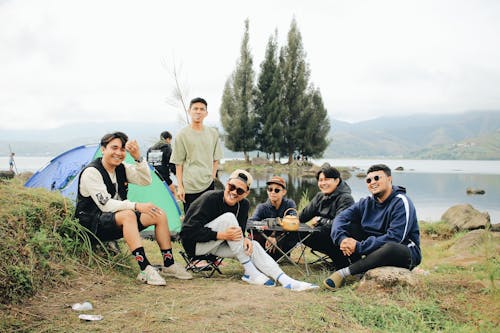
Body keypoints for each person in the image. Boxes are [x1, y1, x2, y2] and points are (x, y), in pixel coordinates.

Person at [75, 131, 192, 286]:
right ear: (103, 149)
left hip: (116, 220)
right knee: (129, 214)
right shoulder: (92, 172)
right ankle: (145, 268)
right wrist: (137, 206)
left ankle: (169, 264)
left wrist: (138, 158)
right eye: (114, 148)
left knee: (158, 214)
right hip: (91, 223)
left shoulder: (121, 168)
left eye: (122, 149)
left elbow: (146, 180)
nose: (118, 153)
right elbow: (106, 205)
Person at [180, 169, 318, 291]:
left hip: (217, 245)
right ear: (227, 183)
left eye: (239, 190)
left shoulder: (244, 205)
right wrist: (221, 234)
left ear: (246, 193)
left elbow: (239, 231)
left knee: (255, 246)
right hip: (196, 247)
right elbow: (186, 233)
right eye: (231, 186)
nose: (234, 192)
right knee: (228, 218)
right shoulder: (210, 198)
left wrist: (245, 238)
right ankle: (250, 270)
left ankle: (286, 280)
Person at [323, 164, 422, 291]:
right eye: (369, 180)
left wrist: (359, 246)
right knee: (349, 227)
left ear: (389, 179)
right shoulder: (366, 203)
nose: (372, 182)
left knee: (390, 247)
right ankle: (361, 269)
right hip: (375, 247)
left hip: (403, 251)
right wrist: (342, 239)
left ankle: (344, 273)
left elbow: (396, 237)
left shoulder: (401, 202)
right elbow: (340, 218)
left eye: (377, 178)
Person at [170, 97, 223, 214]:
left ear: (206, 113)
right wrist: (180, 186)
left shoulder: (212, 133)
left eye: (202, 109)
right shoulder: (182, 135)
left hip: (208, 183)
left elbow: (216, 159)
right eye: (195, 109)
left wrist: (213, 177)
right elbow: (178, 163)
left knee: (209, 217)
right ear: (189, 111)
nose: (198, 112)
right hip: (189, 185)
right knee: (191, 219)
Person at [299, 165, 355, 267]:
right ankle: (277, 255)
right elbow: (303, 216)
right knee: (295, 231)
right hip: (322, 233)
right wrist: (290, 220)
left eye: (327, 179)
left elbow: (339, 224)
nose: (323, 183)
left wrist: (320, 219)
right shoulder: (320, 196)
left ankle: (344, 263)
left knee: (310, 233)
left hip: (339, 238)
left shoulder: (346, 198)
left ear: (337, 181)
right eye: (320, 180)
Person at [249, 176, 298, 260]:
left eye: (277, 190)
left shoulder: (289, 204)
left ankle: (279, 254)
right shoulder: (262, 207)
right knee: (253, 232)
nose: (273, 192)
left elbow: (293, 221)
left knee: (293, 230)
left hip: (283, 242)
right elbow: (251, 223)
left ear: (284, 192)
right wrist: (270, 230)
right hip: (265, 242)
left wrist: (275, 236)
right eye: (270, 189)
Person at [147, 131, 177, 197]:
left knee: (158, 195)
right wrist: (177, 174)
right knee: (173, 192)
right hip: (164, 177)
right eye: (170, 140)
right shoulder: (167, 148)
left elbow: (148, 164)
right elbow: (171, 164)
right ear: (168, 139)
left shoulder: (150, 149)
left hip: (152, 177)